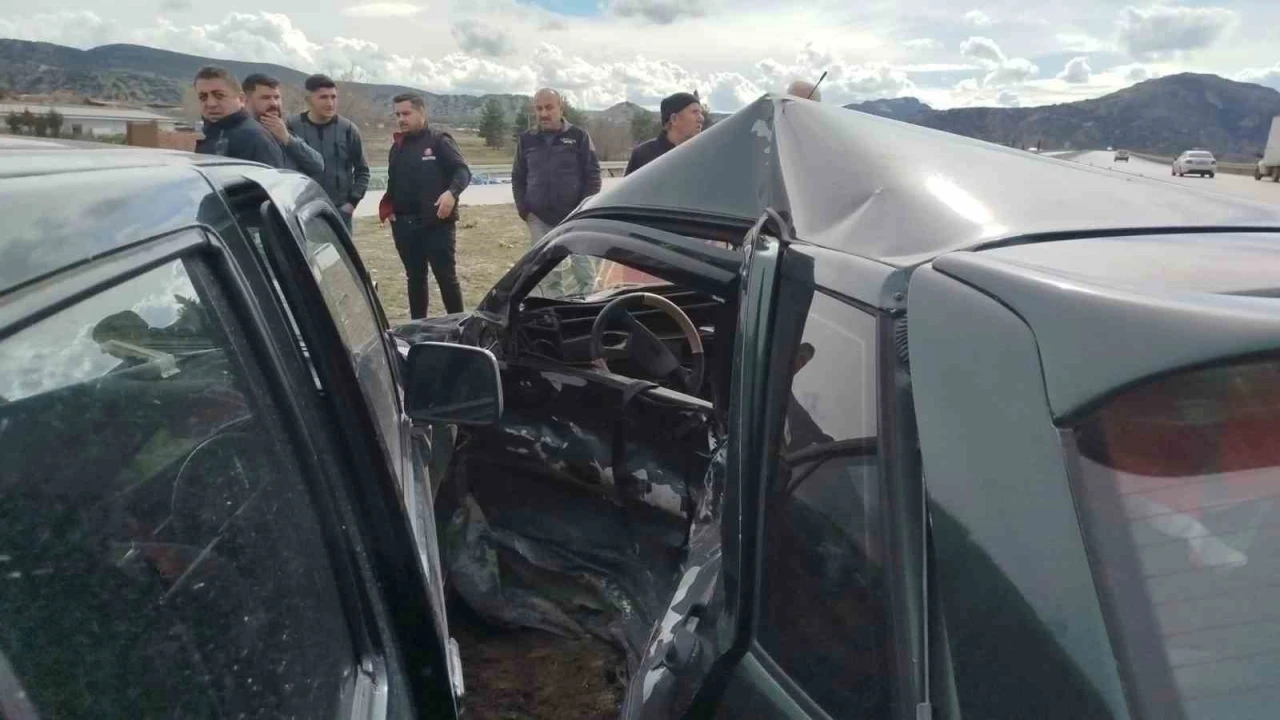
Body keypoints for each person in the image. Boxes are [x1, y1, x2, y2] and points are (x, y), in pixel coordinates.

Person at [377, 93, 470, 319]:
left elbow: (462, 171)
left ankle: (458, 326)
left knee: (446, 278)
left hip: (437, 223)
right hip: (404, 226)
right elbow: (393, 182)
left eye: (406, 113)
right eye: (397, 114)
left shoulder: (439, 141)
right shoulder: (397, 147)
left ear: (421, 112)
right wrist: (390, 208)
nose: (401, 119)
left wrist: (451, 193)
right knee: (415, 279)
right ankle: (417, 326)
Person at [511, 87, 602, 295]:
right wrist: (525, 210)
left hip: (574, 217)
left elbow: (593, 175)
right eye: (539, 108)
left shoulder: (578, 136)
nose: (544, 113)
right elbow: (518, 176)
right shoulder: (526, 139)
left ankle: (590, 307)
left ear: (561, 108)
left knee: (584, 272)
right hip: (539, 219)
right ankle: (555, 308)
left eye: (549, 107)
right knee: (548, 274)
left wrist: (583, 209)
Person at [288, 74, 371, 232]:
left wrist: (351, 204)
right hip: (302, 211)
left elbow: (363, 171)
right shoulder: (292, 127)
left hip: (340, 211)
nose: (330, 103)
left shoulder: (348, 130)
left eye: (333, 97)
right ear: (308, 99)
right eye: (323, 97)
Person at [193, 66, 284, 167]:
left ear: (241, 99)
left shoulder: (255, 139)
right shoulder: (213, 134)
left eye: (219, 95)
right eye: (203, 97)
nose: (211, 103)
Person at [240, 73, 324, 176]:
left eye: (277, 97)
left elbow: (318, 165)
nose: (274, 103)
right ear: (245, 100)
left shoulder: (282, 132)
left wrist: (287, 138)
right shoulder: (239, 134)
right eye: (265, 98)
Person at [624, 91, 704, 175]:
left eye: (700, 113)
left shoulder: (703, 154)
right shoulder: (643, 155)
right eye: (695, 112)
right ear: (674, 119)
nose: (701, 118)